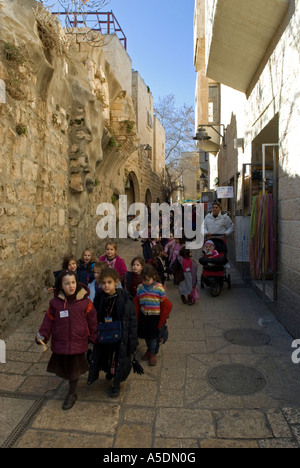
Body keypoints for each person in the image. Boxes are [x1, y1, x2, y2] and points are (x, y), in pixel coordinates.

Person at [36, 270, 97, 410]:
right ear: (61, 285)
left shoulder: (85, 303)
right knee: (66, 367)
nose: (71, 286)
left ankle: (72, 393)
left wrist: (94, 336)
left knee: (74, 369)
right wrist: (43, 335)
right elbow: (48, 321)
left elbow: (92, 320)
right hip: (61, 341)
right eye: (67, 283)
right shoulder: (55, 303)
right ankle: (71, 385)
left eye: (73, 282)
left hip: (78, 340)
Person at [87, 268, 138, 398]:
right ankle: (109, 371)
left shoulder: (125, 298)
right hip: (104, 333)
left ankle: (116, 384)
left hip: (120, 336)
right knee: (106, 356)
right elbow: (94, 316)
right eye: (103, 283)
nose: (106, 286)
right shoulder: (99, 298)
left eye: (109, 282)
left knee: (118, 358)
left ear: (116, 282)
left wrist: (132, 341)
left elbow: (131, 320)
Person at [134, 265, 172, 367]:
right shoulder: (140, 288)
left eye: (148, 280)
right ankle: (149, 349)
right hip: (144, 316)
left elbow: (164, 305)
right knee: (146, 335)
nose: (146, 282)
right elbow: (137, 303)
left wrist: (166, 318)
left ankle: (152, 353)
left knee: (154, 337)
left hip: (155, 317)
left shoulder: (159, 288)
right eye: (144, 280)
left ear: (154, 277)